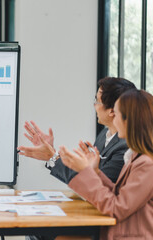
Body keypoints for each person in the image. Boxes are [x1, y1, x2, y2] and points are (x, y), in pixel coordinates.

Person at [59, 89, 153, 239]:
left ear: (128, 120)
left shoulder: (146, 164)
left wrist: (85, 172)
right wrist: (95, 172)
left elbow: (116, 208)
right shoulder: (138, 157)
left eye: (116, 114)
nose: (113, 120)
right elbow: (118, 195)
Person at [17, 77, 136, 184]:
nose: (94, 105)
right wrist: (52, 154)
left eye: (97, 101)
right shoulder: (104, 134)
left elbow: (93, 186)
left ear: (112, 111)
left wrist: (53, 157)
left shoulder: (127, 146)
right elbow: (85, 175)